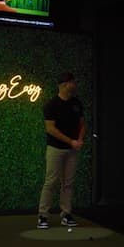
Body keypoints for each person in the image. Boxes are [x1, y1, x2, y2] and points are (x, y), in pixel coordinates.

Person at [37, 72, 85, 229]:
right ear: (64, 84)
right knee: (51, 182)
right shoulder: (51, 105)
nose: (75, 84)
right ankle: (43, 216)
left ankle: (66, 214)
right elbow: (50, 129)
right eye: (72, 82)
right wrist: (71, 141)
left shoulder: (76, 103)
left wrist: (79, 140)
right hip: (55, 149)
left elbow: (82, 124)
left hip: (72, 150)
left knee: (68, 183)